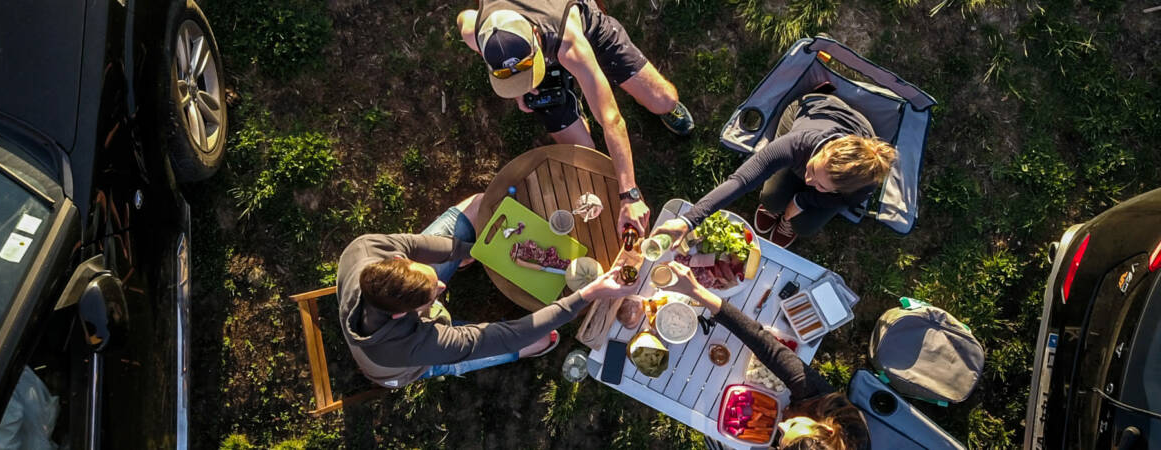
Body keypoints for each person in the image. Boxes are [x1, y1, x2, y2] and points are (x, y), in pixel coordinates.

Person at [337, 194, 629, 388]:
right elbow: (510, 336)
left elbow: (419, 246)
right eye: (432, 295)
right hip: (402, 367)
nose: (442, 286)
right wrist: (585, 295)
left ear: (399, 261)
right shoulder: (414, 345)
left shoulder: (367, 248)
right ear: (402, 313)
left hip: (399, 315)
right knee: (543, 339)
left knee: (478, 206)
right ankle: (436, 369)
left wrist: (477, 251)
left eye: (431, 280)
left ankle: (455, 261)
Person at [457, 0, 695, 235]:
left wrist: (629, 195)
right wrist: (518, 85)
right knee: (583, 153)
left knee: (663, 100)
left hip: (582, 32)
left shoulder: (568, 41)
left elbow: (611, 119)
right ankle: (569, 92)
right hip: (542, 52)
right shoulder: (476, 32)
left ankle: (657, 105)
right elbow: (464, 18)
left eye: (526, 69)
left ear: (536, 36)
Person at [659, 262, 869, 450]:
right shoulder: (824, 400)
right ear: (827, 429)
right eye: (793, 426)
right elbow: (765, 345)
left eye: (784, 444)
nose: (780, 424)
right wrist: (696, 291)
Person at [651, 93, 895, 248]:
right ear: (825, 150)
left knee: (805, 227)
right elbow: (741, 180)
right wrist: (688, 220)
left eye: (820, 185)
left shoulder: (864, 182)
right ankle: (783, 205)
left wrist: (803, 198)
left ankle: (796, 206)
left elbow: (841, 202)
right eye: (811, 170)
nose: (808, 180)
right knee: (772, 200)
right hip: (813, 109)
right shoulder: (798, 144)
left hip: (853, 138)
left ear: (839, 189)